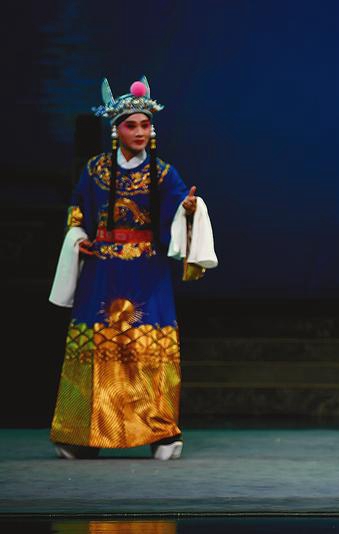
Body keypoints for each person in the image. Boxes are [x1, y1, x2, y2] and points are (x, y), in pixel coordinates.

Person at [48, 76, 217, 460]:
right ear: (116, 130)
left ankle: (161, 434)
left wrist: (189, 210)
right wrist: (78, 235)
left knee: (149, 350)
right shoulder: (95, 170)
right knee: (95, 348)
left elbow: (176, 212)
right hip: (102, 270)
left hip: (147, 271)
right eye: (131, 125)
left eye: (145, 125)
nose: (140, 132)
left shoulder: (163, 173)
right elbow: (78, 210)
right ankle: (83, 435)